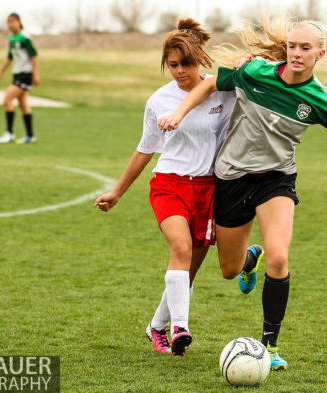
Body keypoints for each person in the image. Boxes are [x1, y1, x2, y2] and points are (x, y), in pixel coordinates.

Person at [159, 17, 327, 370]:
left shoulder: (324, 100)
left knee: (280, 258)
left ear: (321, 54)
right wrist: (178, 112)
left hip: (277, 181)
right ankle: (249, 260)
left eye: (305, 48)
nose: (297, 53)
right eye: (292, 46)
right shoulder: (254, 72)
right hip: (232, 178)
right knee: (228, 269)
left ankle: (270, 346)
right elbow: (208, 85)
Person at [94, 19, 236, 357]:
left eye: (186, 63)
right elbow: (145, 149)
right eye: (173, 65)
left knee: (187, 271)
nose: (180, 71)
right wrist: (116, 192)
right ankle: (180, 328)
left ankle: (157, 327)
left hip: (208, 190)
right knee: (180, 249)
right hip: (169, 186)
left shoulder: (223, 93)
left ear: (201, 58)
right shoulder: (159, 101)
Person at [0, 13, 39, 144]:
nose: (10, 24)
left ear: (19, 22)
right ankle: (30, 136)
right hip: (17, 73)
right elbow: (9, 57)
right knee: (23, 105)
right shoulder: (11, 38)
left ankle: (9, 133)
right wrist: (0, 72)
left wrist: (35, 74)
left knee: (7, 100)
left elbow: (34, 56)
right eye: (8, 22)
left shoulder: (25, 38)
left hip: (25, 74)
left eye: (13, 21)